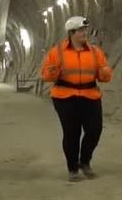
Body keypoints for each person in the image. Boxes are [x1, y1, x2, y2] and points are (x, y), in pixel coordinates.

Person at [41, 15, 113, 181]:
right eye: (81, 30)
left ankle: (85, 161)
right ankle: (73, 168)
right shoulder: (57, 52)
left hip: (90, 94)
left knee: (95, 130)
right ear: (71, 32)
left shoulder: (95, 52)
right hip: (65, 96)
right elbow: (45, 75)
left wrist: (105, 72)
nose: (84, 33)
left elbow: (105, 76)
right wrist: (52, 71)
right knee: (72, 132)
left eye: (85, 30)